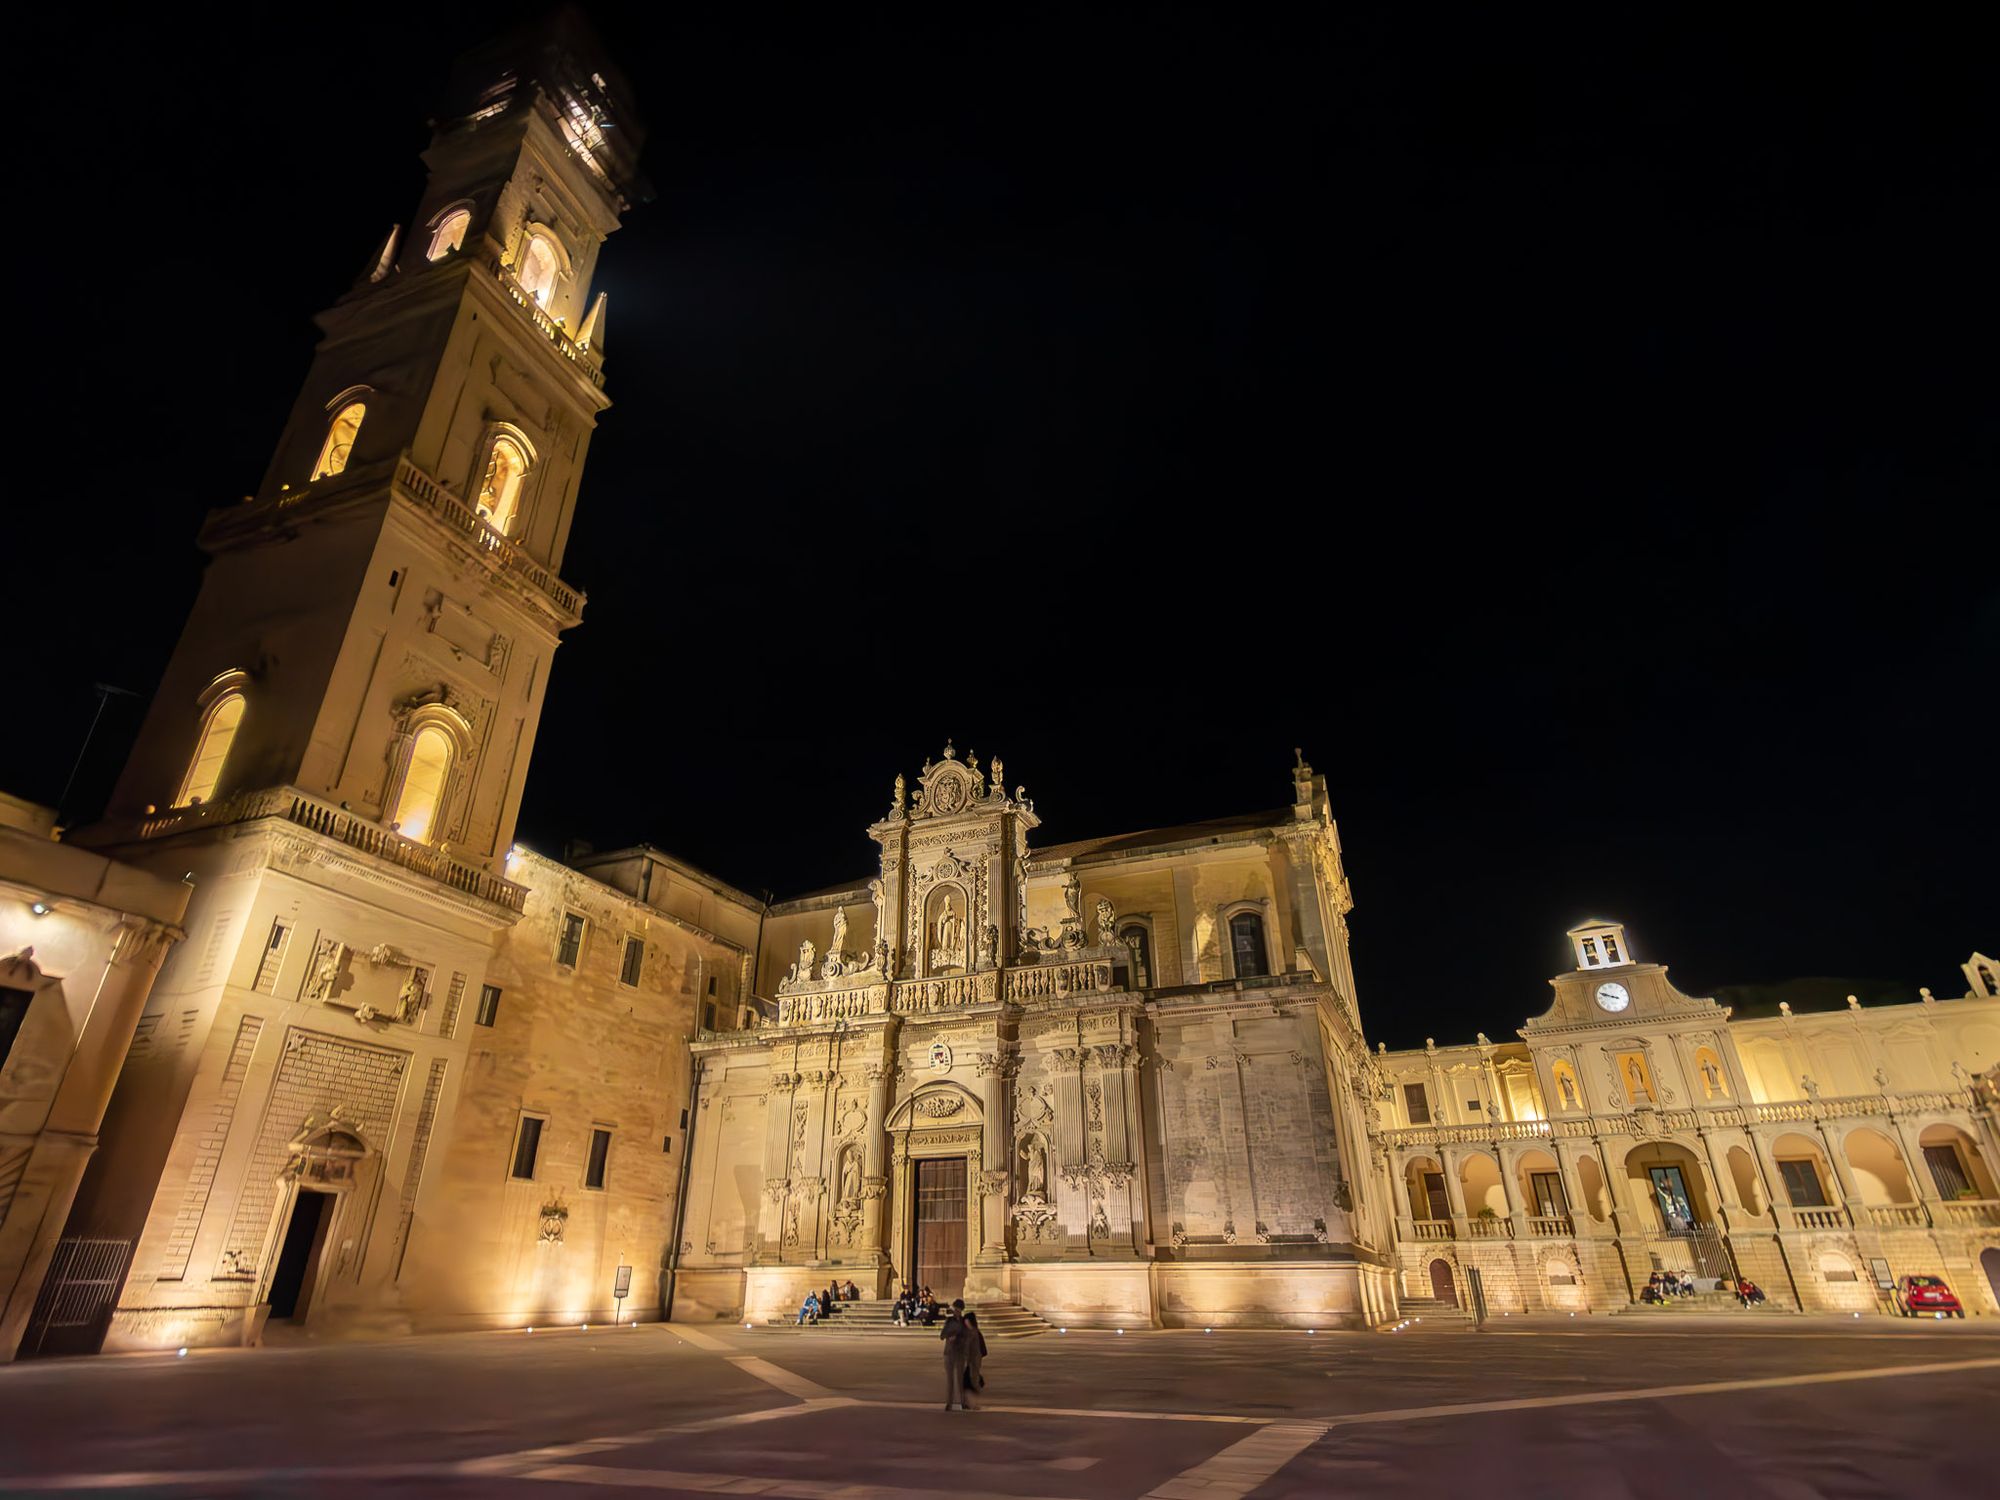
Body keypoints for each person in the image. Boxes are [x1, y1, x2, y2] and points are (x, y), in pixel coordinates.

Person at [940, 1298, 973, 1411]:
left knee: (960, 1379)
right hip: (949, 1353)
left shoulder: (964, 1322)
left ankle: (963, 1402)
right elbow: (942, 1335)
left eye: (957, 1309)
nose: (955, 1311)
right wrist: (950, 1335)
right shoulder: (949, 1321)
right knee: (950, 1380)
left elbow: (968, 1336)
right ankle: (949, 1403)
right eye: (955, 1309)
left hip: (960, 1353)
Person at [963, 1308, 988, 1394]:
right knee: (972, 1376)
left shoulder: (974, 1333)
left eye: (966, 1321)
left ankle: (976, 1394)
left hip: (975, 1358)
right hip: (972, 1358)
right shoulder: (970, 1332)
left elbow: (973, 1347)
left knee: (974, 1377)